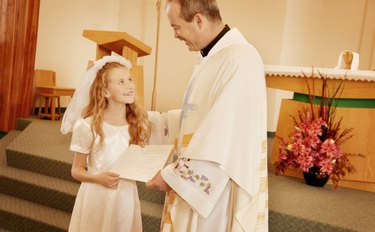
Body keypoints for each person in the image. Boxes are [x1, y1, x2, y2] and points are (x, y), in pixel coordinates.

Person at [146, 0, 268, 231]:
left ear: (199, 20)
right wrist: (156, 122)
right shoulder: (215, 56)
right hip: (210, 179)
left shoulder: (238, 59)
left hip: (219, 191)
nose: (175, 35)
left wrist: (174, 175)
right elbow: (201, 116)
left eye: (176, 27)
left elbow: (223, 134)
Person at [61, 55, 152, 232]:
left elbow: (138, 162)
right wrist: (96, 177)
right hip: (96, 195)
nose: (130, 86)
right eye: (121, 82)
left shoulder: (137, 124)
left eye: (129, 79)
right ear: (105, 91)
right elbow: (76, 170)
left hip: (125, 196)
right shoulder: (87, 125)